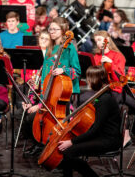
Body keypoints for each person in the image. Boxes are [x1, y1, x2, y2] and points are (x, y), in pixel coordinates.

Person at [20, 17, 81, 156]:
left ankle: (52, 147)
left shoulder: (70, 47)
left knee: (45, 119)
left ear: (63, 30)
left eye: (55, 29)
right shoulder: (50, 47)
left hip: (62, 93)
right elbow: (46, 73)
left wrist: (63, 70)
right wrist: (38, 89)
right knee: (31, 117)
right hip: (47, 92)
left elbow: (77, 71)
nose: (51, 32)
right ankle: (39, 144)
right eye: (50, 29)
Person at [57, 65, 122, 177]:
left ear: (94, 80)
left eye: (88, 78)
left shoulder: (104, 100)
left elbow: (95, 130)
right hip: (102, 136)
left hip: (108, 140)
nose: (87, 81)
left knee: (68, 152)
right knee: (67, 154)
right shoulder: (101, 95)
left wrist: (72, 142)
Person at [93, 30, 126, 101]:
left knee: (103, 100)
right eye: (96, 41)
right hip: (100, 88)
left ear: (107, 40)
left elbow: (120, 78)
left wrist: (111, 63)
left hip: (114, 89)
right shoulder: (96, 56)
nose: (98, 43)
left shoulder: (118, 56)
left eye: (99, 40)